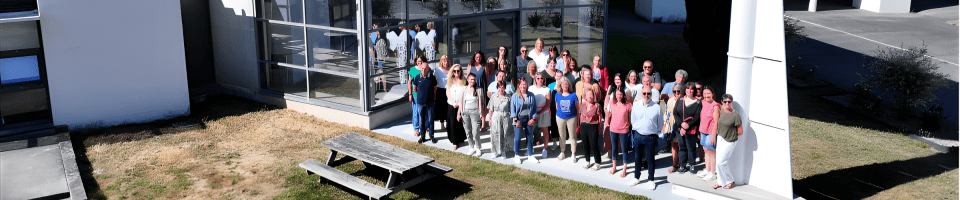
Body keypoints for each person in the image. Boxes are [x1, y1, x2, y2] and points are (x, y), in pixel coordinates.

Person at [628, 86, 662, 190]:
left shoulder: (656, 107)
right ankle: (636, 177)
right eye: (644, 94)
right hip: (638, 135)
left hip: (651, 137)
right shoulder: (636, 105)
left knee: (650, 159)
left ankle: (651, 179)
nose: (646, 96)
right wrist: (637, 129)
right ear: (641, 94)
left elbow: (660, 122)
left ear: (651, 95)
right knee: (637, 158)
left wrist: (657, 132)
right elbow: (633, 119)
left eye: (648, 94)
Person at [714, 94, 743, 190]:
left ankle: (730, 180)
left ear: (731, 102)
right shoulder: (721, 110)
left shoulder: (735, 115)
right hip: (720, 138)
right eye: (725, 101)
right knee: (718, 161)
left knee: (721, 162)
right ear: (722, 102)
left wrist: (731, 135)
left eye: (729, 102)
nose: (727, 103)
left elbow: (740, 131)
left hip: (729, 141)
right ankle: (720, 182)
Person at [674, 84, 702, 173]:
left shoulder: (698, 102)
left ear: (694, 90)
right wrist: (681, 125)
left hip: (691, 129)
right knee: (682, 147)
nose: (689, 90)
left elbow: (697, 117)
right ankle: (682, 165)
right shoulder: (680, 100)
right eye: (687, 88)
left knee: (691, 147)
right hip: (680, 129)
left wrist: (687, 126)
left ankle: (692, 165)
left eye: (691, 89)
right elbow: (675, 114)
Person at [411, 56, 438, 144]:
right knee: (421, 120)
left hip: (430, 103)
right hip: (420, 103)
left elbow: (435, 88)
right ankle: (422, 136)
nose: (423, 71)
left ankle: (431, 136)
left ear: (428, 69)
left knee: (430, 120)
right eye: (422, 69)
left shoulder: (432, 78)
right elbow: (414, 88)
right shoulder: (417, 77)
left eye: (425, 69)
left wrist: (432, 95)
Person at [512, 78, 539, 164]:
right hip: (519, 119)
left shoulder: (531, 95)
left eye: (524, 84)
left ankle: (530, 155)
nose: (523, 86)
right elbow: (512, 110)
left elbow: (534, 108)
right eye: (521, 84)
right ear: (518, 85)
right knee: (517, 138)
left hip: (529, 119)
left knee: (530, 137)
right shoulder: (515, 96)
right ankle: (516, 155)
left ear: (527, 85)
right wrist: (516, 121)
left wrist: (533, 119)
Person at [606, 88, 632, 177]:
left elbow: (630, 118)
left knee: (624, 149)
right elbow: (609, 114)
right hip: (613, 129)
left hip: (624, 130)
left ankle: (624, 168)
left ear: (623, 95)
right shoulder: (612, 104)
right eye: (617, 94)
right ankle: (614, 167)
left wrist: (628, 125)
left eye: (621, 94)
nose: (619, 96)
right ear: (615, 95)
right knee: (614, 148)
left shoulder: (628, 105)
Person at [697, 86, 721, 181]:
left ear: (713, 94)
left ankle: (712, 172)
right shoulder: (703, 102)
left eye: (708, 94)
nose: (706, 96)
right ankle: (707, 169)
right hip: (703, 130)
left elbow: (716, 122)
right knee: (706, 150)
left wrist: (714, 136)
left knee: (711, 152)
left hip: (710, 132)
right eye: (705, 94)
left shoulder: (715, 106)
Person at [458, 73, 485, 156]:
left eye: (474, 79)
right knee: (468, 131)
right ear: (468, 80)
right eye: (471, 79)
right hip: (465, 112)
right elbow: (461, 102)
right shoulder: (463, 90)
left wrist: (482, 114)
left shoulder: (479, 90)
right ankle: (471, 147)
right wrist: (458, 113)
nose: (472, 81)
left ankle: (478, 148)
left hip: (475, 112)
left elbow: (482, 103)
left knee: (475, 131)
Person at [554, 76, 578, 162]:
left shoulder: (573, 95)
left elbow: (577, 108)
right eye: (563, 83)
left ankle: (573, 154)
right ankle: (562, 152)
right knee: (562, 136)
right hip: (560, 118)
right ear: (560, 85)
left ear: (569, 85)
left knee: (572, 136)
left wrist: (578, 121)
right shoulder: (557, 94)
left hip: (572, 118)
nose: (565, 85)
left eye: (567, 83)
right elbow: (557, 106)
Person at [486, 80, 513, 159]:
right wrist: (490, 120)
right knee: (495, 134)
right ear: (497, 87)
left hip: (505, 116)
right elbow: (490, 109)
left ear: (504, 87)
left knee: (504, 134)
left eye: (502, 86)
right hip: (495, 116)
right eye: (499, 87)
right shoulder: (494, 96)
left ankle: (503, 151)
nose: (501, 88)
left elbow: (511, 109)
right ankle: (495, 151)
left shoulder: (508, 97)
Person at [529, 73, 553, 159]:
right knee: (530, 130)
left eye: (541, 78)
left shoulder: (547, 89)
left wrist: (539, 113)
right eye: (538, 78)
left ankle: (545, 149)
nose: (539, 80)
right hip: (533, 112)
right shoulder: (531, 88)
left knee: (545, 131)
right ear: (535, 79)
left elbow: (547, 104)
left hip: (544, 112)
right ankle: (530, 148)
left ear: (543, 79)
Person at [663, 84, 685, 173]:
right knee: (674, 145)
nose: (676, 93)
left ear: (682, 92)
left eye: (678, 91)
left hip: (683, 127)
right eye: (674, 91)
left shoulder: (685, 101)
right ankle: (675, 165)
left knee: (682, 146)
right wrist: (665, 126)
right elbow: (667, 113)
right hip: (672, 126)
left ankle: (683, 165)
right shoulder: (670, 101)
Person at [579, 91, 603, 171]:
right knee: (585, 145)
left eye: (591, 95)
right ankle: (587, 161)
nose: (589, 96)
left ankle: (597, 162)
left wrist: (599, 129)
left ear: (594, 96)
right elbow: (580, 116)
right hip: (583, 126)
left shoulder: (597, 106)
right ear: (585, 96)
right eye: (588, 94)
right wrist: (579, 125)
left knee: (594, 145)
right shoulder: (582, 105)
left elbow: (600, 118)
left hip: (593, 126)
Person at [446, 63, 468, 150]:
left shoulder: (464, 80)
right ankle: (455, 141)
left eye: (458, 71)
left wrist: (460, 103)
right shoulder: (450, 81)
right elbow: (447, 92)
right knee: (453, 123)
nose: (456, 72)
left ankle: (461, 139)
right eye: (454, 71)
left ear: (461, 71)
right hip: (452, 105)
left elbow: (465, 93)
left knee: (461, 123)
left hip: (461, 105)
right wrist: (453, 102)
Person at [407, 55, 423, 137]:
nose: (419, 62)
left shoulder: (426, 69)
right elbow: (409, 82)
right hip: (416, 94)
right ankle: (416, 129)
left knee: (424, 111)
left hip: (424, 94)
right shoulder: (413, 70)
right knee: (416, 111)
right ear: (416, 61)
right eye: (418, 61)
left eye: (421, 61)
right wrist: (410, 94)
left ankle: (424, 127)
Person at [435, 56, 452, 134]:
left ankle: (448, 124)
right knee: (442, 108)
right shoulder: (438, 71)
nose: (446, 62)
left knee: (449, 108)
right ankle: (442, 124)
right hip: (440, 91)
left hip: (449, 91)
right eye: (444, 61)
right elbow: (434, 82)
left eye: (447, 61)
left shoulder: (451, 70)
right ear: (441, 62)